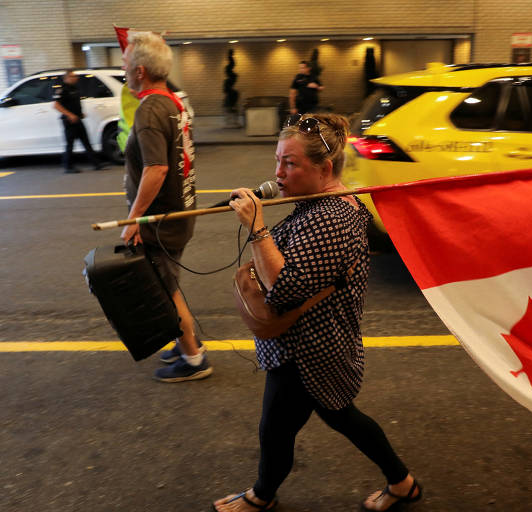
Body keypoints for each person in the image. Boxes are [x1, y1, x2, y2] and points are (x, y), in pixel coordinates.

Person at [214, 113, 421, 512]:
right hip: (316, 342)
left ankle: (261, 497)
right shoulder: (319, 202)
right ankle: (403, 482)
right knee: (340, 416)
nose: (278, 172)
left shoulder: (333, 217)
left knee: (276, 428)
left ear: (324, 168)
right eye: (278, 161)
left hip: (311, 348)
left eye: (290, 163)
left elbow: (285, 288)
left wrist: (258, 229)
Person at [120, 31, 210, 382]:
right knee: (166, 282)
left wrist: (133, 220)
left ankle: (194, 359)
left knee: (163, 289)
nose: (123, 69)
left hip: (160, 220)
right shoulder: (172, 101)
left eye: (126, 64)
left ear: (140, 71)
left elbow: (156, 168)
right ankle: (183, 339)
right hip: (178, 210)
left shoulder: (150, 110)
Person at [53, 70, 106, 173]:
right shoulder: (62, 89)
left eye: (75, 76)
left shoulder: (75, 88)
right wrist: (70, 115)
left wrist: (80, 114)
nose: (75, 78)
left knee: (86, 142)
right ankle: (68, 167)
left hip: (78, 119)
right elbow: (56, 105)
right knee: (70, 144)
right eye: (72, 77)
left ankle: (96, 164)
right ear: (66, 78)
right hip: (69, 121)